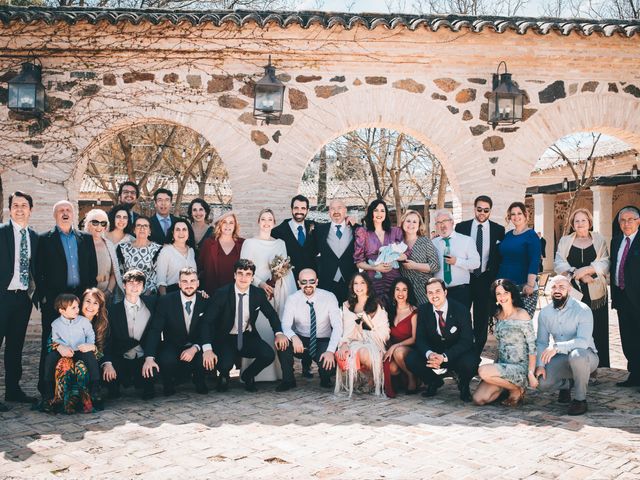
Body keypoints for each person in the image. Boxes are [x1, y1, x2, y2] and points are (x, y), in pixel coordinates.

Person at [35, 200, 98, 396]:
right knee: (51, 343)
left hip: (80, 299)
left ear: (73, 214)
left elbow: (92, 269)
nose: (65, 213)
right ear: (55, 215)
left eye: (68, 210)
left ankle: (80, 387)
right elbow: (38, 271)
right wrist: (46, 298)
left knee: (80, 341)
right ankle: (47, 387)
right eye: (60, 210)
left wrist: (87, 296)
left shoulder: (85, 239)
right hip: (55, 301)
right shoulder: (44, 239)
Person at [207, 259, 289, 392]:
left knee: (268, 354)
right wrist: (207, 347)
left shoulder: (258, 294)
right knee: (225, 364)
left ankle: (248, 376)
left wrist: (279, 333)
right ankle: (223, 375)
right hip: (225, 338)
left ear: (252, 278)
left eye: (248, 274)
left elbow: (271, 315)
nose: (243, 278)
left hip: (247, 337)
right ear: (234, 275)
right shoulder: (221, 294)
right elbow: (207, 321)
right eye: (240, 273)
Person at [240, 208, 297, 381]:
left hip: (276, 292)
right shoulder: (249, 243)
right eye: (263, 219)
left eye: (270, 219)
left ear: (274, 223)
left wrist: (277, 283)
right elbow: (244, 269)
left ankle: (277, 372)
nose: (266, 222)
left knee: (275, 328)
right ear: (258, 222)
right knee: (258, 327)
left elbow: (284, 269)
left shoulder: (280, 243)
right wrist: (262, 284)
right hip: (257, 291)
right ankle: (254, 374)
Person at [142, 268, 212, 396]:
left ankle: (199, 380)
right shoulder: (166, 301)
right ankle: (168, 383)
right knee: (166, 359)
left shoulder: (206, 301)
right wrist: (149, 358)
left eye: (192, 281)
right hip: (172, 344)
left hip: (196, 345)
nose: (189, 285)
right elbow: (155, 330)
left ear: (198, 283)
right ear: (179, 284)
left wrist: (195, 348)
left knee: (205, 357)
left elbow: (208, 330)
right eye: (184, 281)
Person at [405, 278, 477, 402]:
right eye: (430, 293)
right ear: (426, 295)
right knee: (411, 359)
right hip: (434, 353)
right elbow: (420, 339)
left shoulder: (461, 310)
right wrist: (429, 354)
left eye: (437, 291)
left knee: (471, 362)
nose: (434, 295)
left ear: (445, 292)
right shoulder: (423, 310)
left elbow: (467, 341)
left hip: (455, 354)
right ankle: (434, 381)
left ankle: (464, 385)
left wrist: (445, 356)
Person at [554, 208, 610, 368]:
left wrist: (588, 270)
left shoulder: (599, 240)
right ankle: (572, 365)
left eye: (583, 220)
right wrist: (576, 273)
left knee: (596, 329)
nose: (580, 224)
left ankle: (594, 369)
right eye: (577, 221)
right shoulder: (565, 241)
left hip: (595, 292)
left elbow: (605, 262)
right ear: (572, 224)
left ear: (589, 222)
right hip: (574, 291)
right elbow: (559, 262)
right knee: (574, 329)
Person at [535, 275, 599, 415]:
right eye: (554, 287)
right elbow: (541, 342)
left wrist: (556, 347)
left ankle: (580, 400)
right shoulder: (545, 313)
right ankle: (567, 384)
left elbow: (582, 341)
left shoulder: (583, 309)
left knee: (577, 355)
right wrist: (540, 365)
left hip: (586, 356)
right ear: (549, 290)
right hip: (562, 357)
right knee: (541, 384)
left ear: (569, 289)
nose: (557, 290)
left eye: (562, 287)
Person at [0, 191, 39, 411]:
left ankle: (13, 390)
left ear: (30, 210)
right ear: (10, 209)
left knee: (15, 347)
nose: (20, 209)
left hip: (22, 298)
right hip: (1, 296)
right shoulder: (1, 232)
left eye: (24, 205)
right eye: (15, 205)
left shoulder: (33, 236)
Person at [472, 279, 537, 407]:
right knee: (478, 399)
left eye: (505, 293)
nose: (502, 297)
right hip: (502, 366)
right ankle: (506, 387)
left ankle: (516, 389)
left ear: (512, 294)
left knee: (483, 371)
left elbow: (532, 346)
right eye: (498, 294)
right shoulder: (497, 315)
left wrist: (530, 373)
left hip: (519, 368)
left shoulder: (522, 314)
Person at [455, 195, 505, 357]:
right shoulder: (461, 227)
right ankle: (462, 350)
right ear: (474, 209)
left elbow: (499, 256)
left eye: (486, 210)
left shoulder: (498, 230)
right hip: (465, 279)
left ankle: (476, 356)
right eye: (479, 209)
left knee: (481, 320)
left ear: (490, 211)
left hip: (485, 279)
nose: (482, 213)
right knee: (461, 316)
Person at [278, 268, 342, 391]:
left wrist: (330, 351)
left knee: (327, 367)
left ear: (317, 282)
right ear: (298, 283)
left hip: (322, 339)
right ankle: (288, 380)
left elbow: (338, 327)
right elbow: (285, 324)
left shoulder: (329, 297)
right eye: (304, 282)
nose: (308, 285)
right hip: (301, 339)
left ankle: (325, 377)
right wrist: (293, 337)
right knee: (283, 343)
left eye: (311, 281)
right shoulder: (292, 299)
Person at [45, 288, 109, 414]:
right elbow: (52, 340)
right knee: (53, 359)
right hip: (65, 352)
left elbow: (100, 349)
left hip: (84, 355)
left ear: (99, 308)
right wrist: (59, 346)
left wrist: (92, 347)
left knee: (85, 363)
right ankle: (52, 395)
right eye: (88, 301)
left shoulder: (98, 325)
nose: (90, 306)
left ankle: (92, 392)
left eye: (95, 303)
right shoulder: (57, 323)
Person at [103, 269, 157, 400]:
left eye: (139, 283)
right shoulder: (112, 310)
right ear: (124, 285)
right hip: (121, 357)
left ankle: (145, 384)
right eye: (131, 283)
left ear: (143, 287)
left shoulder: (152, 304)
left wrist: (201, 293)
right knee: (112, 392)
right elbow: (108, 340)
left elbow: (174, 301)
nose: (135, 286)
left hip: (143, 357)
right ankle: (115, 385)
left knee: (150, 392)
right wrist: (107, 363)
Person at [335, 273, 390, 397]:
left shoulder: (377, 305)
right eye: (356, 283)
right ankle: (361, 378)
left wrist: (367, 329)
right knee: (346, 352)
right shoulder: (347, 305)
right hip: (354, 340)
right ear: (352, 286)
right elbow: (346, 331)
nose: (359, 286)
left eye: (362, 283)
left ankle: (375, 378)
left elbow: (385, 331)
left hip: (374, 342)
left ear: (368, 286)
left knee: (364, 351)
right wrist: (344, 344)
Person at [610, 206, 640, 388]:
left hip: (638, 298)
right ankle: (635, 375)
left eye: (630, 220)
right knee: (628, 338)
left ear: (638, 221)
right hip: (622, 298)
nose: (626, 223)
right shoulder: (616, 241)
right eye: (623, 220)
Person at [354, 199, 405, 305]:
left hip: (393, 278)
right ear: (371, 212)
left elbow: (404, 254)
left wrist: (393, 258)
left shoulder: (395, 231)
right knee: (376, 309)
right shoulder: (363, 233)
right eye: (376, 210)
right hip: (373, 279)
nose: (379, 214)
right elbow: (359, 262)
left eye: (382, 211)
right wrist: (375, 267)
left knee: (395, 308)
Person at [497, 201, 541, 318]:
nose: (516, 217)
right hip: (505, 287)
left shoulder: (532, 236)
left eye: (519, 213)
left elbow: (534, 261)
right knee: (505, 322)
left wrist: (530, 284)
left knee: (520, 324)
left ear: (525, 215)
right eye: (513, 214)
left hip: (523, 286)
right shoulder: (508, 235)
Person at [431, 210, 480, 310]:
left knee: (462, 323)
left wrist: (457, 261)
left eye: (444, 221)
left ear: (452, 222)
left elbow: (476, 263)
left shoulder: (466, 240)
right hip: (439, 293)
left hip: (461, 292)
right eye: (438, 223)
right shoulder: (432, 243)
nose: (442, 225)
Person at [314, 199, 357, 305]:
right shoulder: (319, 230)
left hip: (350, 281)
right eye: (332, 209)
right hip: (327, 281)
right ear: (329, 212)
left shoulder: (356, 229)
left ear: (345, 210)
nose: (336, 211)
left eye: (339, 208)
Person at [382, 277, 418, 398]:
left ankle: (411, 376)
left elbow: (414, 338)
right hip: (393, 348)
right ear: (393, 292)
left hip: (409, 348)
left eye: (404, 290)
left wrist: (395, 346)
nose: (400, 293)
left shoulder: (414, 311)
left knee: (398, 352)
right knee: (392, 368)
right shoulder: (389, 310)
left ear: (408, 292)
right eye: (397, 289)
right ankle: (401, 380)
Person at [198, 211, 244, 296]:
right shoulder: (208, 244)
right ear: (219, 224)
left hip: (235, 294)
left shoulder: (242, 244)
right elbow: (200, 268)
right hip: (212, 294)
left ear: (235, 225)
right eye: (224, 222)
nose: (228, 225)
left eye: (231, 223)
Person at [399, 209, 439, 306]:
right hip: (404, 291)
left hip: (423, 290)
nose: (411, 224)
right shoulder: (398, 242)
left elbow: (435, 266)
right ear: (403, 222)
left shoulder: (425, 241)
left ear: (419, 225)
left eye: (414, 222)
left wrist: (415, 266)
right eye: (408, 221)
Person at [271, 194, 317, 275]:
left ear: (307, 210)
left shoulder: (315, 227)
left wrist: (346, 220)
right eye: (296, 208)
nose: (299, 211)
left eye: (303, 208)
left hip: (310, 281)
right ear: (291, 209)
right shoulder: (277, 232)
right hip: (289, 279)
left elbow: (330, 227)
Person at [84, 209, 123, 303]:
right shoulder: (81, 243)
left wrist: (108, 291)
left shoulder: (109, 244)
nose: (99, 226)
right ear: (88, 224)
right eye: (95, 222)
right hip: (86, 296)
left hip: (106, 296)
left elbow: (114, 272)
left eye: (103, 223)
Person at [117, 216, 162, 296]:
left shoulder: (157, 249)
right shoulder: (123, 248)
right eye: (138, 225)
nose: (142, 228)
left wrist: (146, 294)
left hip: (148, 295)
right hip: (126, 293)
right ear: (134, 230)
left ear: (150, 231)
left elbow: (157, 276)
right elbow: (119, 273)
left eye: (145, 226)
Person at [156, 218, 197, 295]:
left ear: (188, 233)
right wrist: (165, 300)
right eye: (177, 229)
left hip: (190, 294)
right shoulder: (166, 251)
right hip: (172, 294)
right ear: (173, 233)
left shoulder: (191, 251)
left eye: (184, 229)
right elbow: (160, 281)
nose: (181, 232)